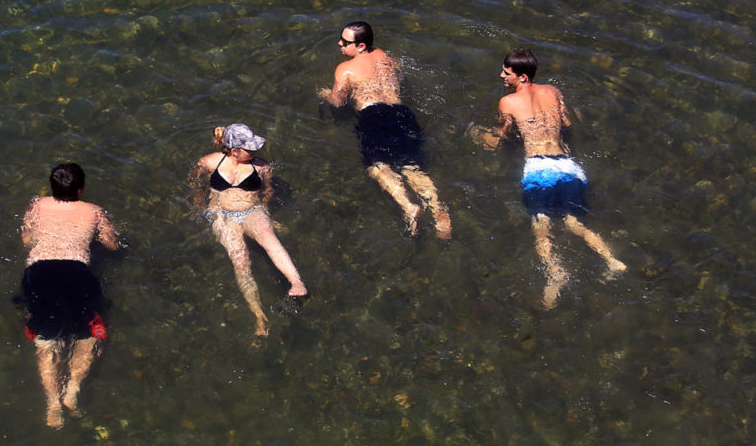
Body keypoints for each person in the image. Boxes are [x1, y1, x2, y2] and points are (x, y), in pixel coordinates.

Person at [474, 49, 627, 308]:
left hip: (538, 169)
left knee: (541, 224)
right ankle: (612, 260)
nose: (501, 75)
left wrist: (478, 136)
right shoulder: (554, 91)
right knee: (574, 223)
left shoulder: (507, 102)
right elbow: (566, 122)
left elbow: (504, 135)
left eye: (506, 72)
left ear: (522, 77)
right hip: (568, 166)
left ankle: (555, 273)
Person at [317, 21, 451, 238]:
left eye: (345, 42)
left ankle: (408, 206)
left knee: (377, 166)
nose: (339, 43)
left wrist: (323, 94)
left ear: (360, 46)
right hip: (402, 113)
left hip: (374, 115)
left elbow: (338, 102)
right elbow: (399, 82)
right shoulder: (388, 58)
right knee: (411, 166)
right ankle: (438, 212)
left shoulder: (345, 69)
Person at [20, 163, 119, 429]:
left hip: (39, 271)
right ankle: (72, 392)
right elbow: (112, 244)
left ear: (52, 186)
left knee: (46, 340)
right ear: (81, 189)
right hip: (76, 270)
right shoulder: (94, 211)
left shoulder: (36, 205)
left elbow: (26, 241)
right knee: (87, 334)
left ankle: (52, 403)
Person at [190, 124, 308, 337]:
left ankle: (296, 281)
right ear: (234, 150)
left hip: (252, 210)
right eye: (250, 148)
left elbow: (267, 191)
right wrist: (199, 209)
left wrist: (265, 213)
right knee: (240, 261)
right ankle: (258, 316)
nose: (255, 151)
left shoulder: (261, 167)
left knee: (270, 239)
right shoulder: (208, 162)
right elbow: (196, 186)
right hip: (222, 214)